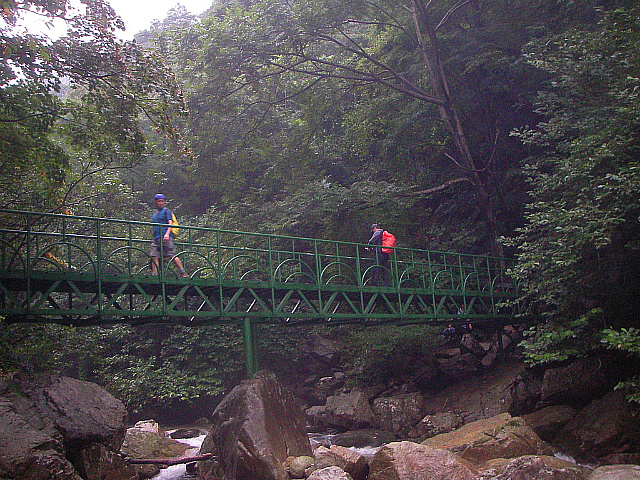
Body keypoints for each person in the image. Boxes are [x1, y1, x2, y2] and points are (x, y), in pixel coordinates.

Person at [150, 193, 188, 277]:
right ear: (156, 202)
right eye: (159, 201)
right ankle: (154, 273)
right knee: (154, 255)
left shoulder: (167, 211)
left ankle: (183, 272)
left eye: (162, 201)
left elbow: (170, 223)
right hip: (157, 237)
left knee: (171, 254)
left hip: (165, 236)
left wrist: (167, 234)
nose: (161, 203)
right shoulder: (155, 213)